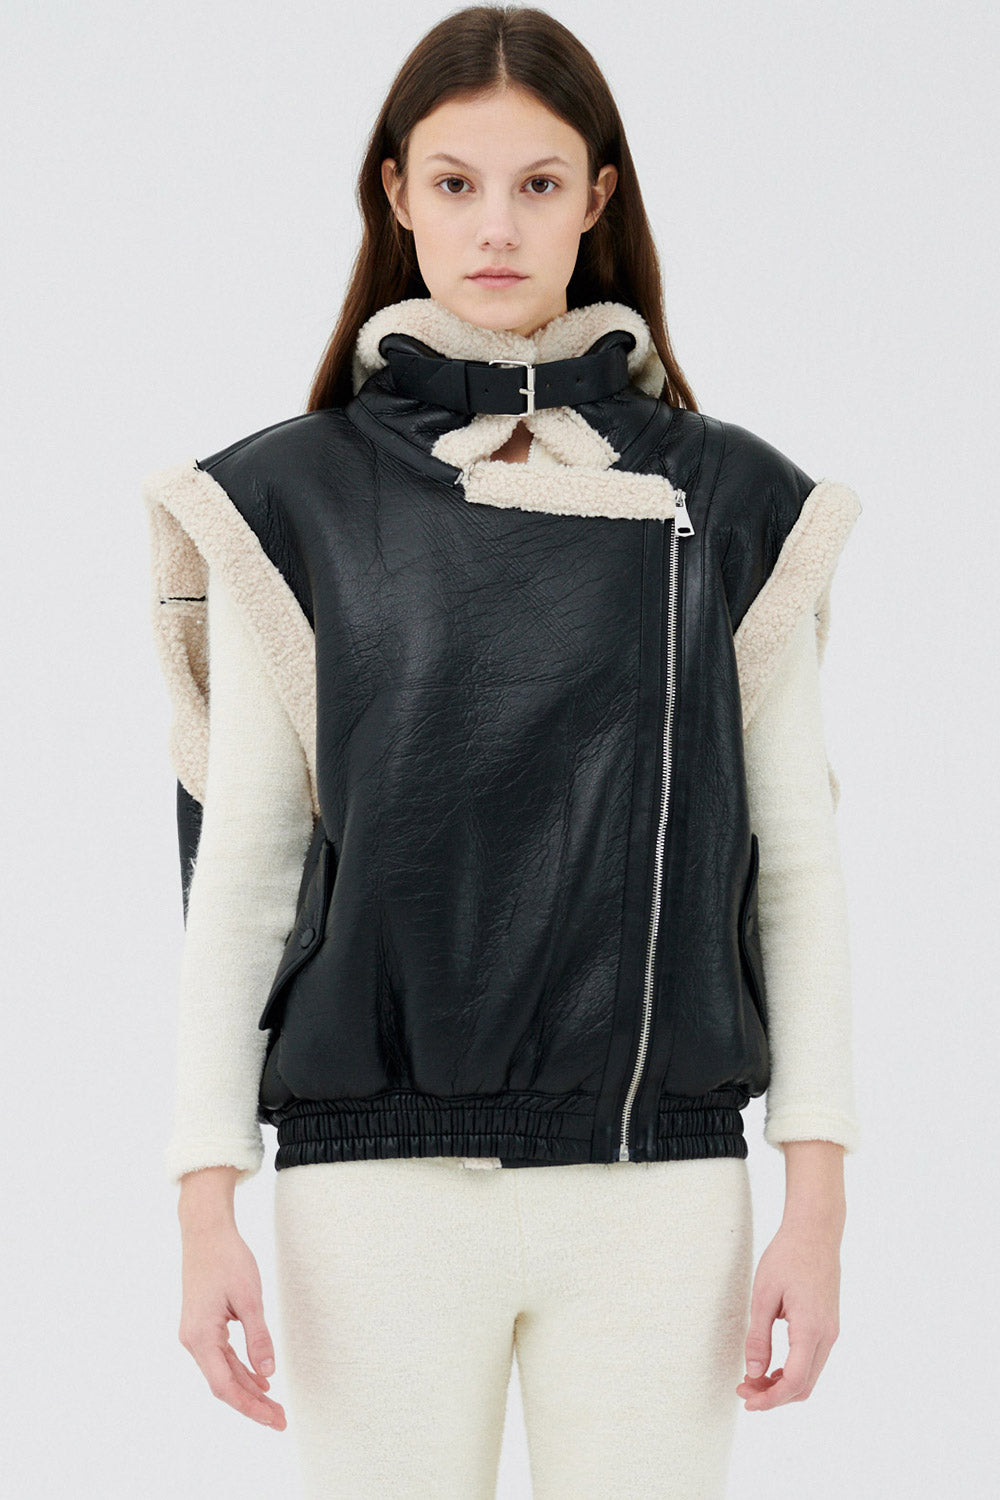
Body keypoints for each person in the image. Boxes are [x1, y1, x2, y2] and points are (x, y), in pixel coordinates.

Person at [143, 7, 862, 1496]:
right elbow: (251, 871)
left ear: (599, 197)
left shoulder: (732, 502)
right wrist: (206, 1202)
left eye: (538, 183)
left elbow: (791, 859)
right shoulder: (296, 502)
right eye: (455, 183)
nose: (495, 226)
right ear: (395, 195)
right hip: (376, 1190)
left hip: (659, 1181)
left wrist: (818, 1199)